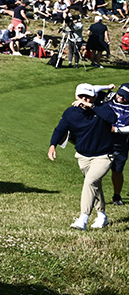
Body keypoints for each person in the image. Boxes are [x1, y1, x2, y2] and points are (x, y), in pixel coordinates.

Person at [48, 83, 124, 229]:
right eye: (81, 96)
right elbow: (60, 128)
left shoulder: (102, 108)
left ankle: (83, 219)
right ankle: (102, 216)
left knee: (90, 182)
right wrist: (53, 145)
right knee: (95, 185)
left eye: (88, 97)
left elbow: (112, 118)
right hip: (83, 156)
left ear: (94, 97)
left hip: (103, 156)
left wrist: (92, 107)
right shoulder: (71, 112)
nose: (84, 99)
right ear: (76, 96)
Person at [103, 84, 129, 207]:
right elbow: (90, 90)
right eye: (120, 94)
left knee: (117, 170)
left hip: (120, 143)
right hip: (102, 140)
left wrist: (116, 130)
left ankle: (117, 195)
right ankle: (93, 193)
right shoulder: (109, 96)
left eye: (125, 97)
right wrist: (105, 86)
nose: (121, 98)